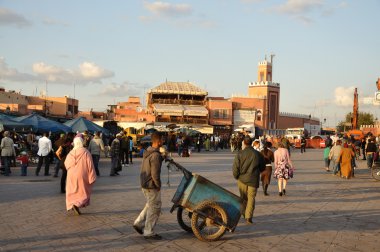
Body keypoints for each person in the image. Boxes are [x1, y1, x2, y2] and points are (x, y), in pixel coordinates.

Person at [133, 132, 164, 240]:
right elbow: (155, 174)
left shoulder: (149, 151)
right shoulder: (155, 155)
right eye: (162, 139)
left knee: (150, 205)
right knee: (155, 207)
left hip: (144, 183)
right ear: (159, 141)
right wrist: (158, 185)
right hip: (151, 185)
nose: (163, 141)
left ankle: (138, 223)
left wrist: (162, 157)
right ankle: (148, 231)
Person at [232, 136, 265, 224]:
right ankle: (248, 217)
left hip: (242, 179)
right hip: (253, 179)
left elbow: (235, 168)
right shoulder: (257, 154)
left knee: (243, 198)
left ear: (244, 143)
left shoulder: (240, 153)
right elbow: (263, 167)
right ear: (251, 143)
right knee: (251, 198)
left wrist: (236, 176)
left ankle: (243, 213)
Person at [64, 136, 96, 215]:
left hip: (71, 175)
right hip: (82, 174)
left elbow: (66, 164)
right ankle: (77, 204)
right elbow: (90, 165)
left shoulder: (70, 153)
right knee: (82, 192)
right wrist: (92, 176)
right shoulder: (86, 152)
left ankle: (73, 204)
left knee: (72, 191)